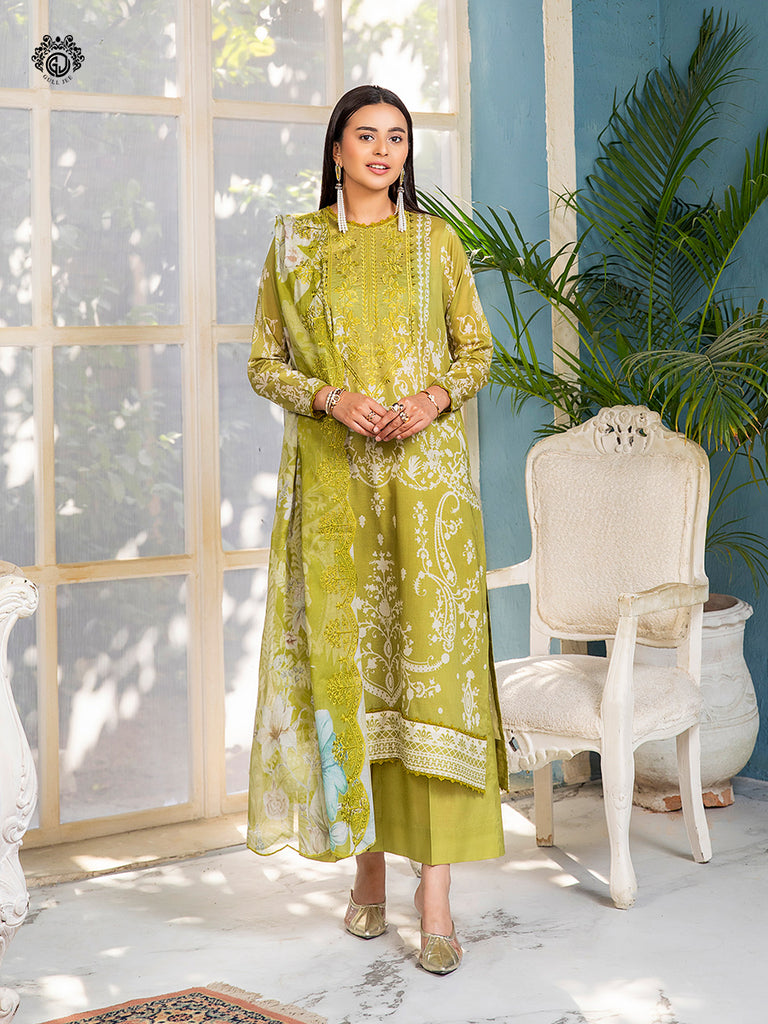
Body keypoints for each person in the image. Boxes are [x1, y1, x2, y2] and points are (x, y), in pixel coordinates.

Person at [246, 84, 507, 976]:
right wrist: (329, 397)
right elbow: (264, 363)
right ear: (337, 148)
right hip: (333, 491)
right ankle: (366, 872)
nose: (383, 150)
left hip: (428, 494)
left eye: (397, 137)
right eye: (367, 136)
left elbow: (477, 351)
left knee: (430, 678)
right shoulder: (294, 243)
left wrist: (432, 399)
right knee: (352, 677)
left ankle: (435, 899)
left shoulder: (436, 243)